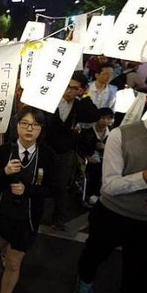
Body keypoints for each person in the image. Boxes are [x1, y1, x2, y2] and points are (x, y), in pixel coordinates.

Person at [76, 73, 147, 293]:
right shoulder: (121, 135)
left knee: (140, 278)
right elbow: (109, 186)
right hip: (113, 214)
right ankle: (84, 282)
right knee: (92, 257)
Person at [0, 106, 56, 293]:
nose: (29, 129)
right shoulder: (3, 151)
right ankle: (3, 253)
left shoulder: (47, 155)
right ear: (17, 126)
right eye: (24, 123)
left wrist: (28, 190)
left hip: (27, 219)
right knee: (2, 244)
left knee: (12, 263)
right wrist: (5, 172)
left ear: (41, 129)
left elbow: (51, 189)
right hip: (2, 212)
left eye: (35, 125)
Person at [45, 72, 99, 230]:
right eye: (67, 86)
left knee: (61, 185)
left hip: (65, 151)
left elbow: (94, 115)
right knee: (39, 181)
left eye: (74, 88)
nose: (68, 91)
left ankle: (58, 218)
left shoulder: (79, 105)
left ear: (80, 91)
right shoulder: (49, 99)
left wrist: (87, 95)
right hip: (45, 148)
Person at [77, 108, 114, 207]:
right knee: (95, 168)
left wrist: (105, 147)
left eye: (108, 119)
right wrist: (87, 157)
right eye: (103, 118)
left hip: (107, 160)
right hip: (89, 160)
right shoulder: (87, 133)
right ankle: (91, 194)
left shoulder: (113, 133)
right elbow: (78, 148)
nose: (105, 121)